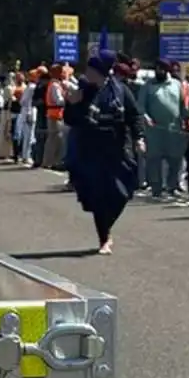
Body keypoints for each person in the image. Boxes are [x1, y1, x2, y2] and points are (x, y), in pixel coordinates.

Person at [64, 55, 145, 252]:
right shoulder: (82, 91)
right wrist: (72, 103)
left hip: (117, 147)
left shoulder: (120, 90)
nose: (87, 74)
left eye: (92, 70)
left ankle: (107, 224)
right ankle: (104, 237)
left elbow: (134, 116)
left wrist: (139, 138)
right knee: (97, 194)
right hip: (91, 149)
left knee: (122, 192)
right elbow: (70, 120)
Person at [141, 61, 188, 198]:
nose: (158, 71)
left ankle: (172, 186)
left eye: (161, 69)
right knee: (153, 160)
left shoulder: (176, 84)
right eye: (156, 69)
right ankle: (156, 188)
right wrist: (146, 118)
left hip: (173, 129)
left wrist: (187, 119)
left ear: (167, 70)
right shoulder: (148, 86)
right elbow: (141, 106)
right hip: (154, 130)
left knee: (175, 159)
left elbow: (182, 106)